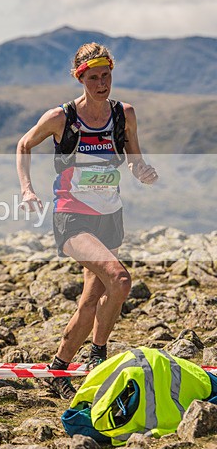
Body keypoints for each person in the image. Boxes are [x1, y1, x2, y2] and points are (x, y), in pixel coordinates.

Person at [16, 43, 158, 399]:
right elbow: (24, 145)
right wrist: (27, 189)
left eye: (106, 75)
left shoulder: (124, 114)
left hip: (110, 215)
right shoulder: (61, 117)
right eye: (93, 77)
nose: (101, 83)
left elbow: (133, 157)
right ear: (80, 78)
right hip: (72, 215)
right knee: (120, 279)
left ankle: (58, 369)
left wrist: (142, 170)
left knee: (90, 301)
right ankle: (98, 353)